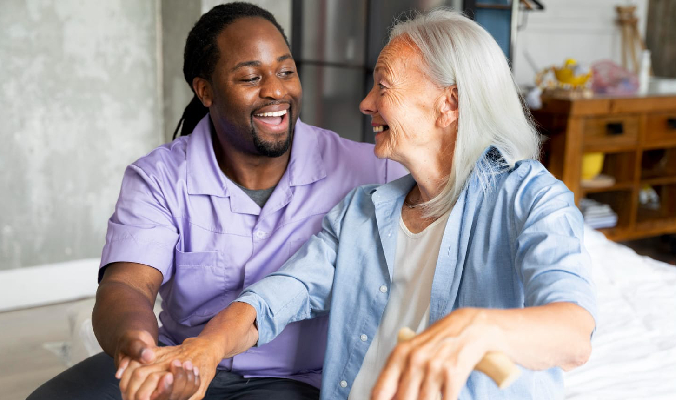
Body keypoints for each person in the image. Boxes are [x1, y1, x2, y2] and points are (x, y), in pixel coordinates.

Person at [119, 8, 597, 400]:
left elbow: (574, 335)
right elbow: (276, 297)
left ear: (448, 104)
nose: (366, 104)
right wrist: (205, 348)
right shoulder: (362, 210)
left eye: (383, 87)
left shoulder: (531, 197)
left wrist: (475, 329)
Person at [27, 3, 405, 400]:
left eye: (286, 71)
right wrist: (139, 349)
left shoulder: (369, 170)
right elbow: (128, 285)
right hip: (177, 359)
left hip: (291, 379)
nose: (276, 90)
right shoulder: (159, 177)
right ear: (205, 90)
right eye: (250, 77)